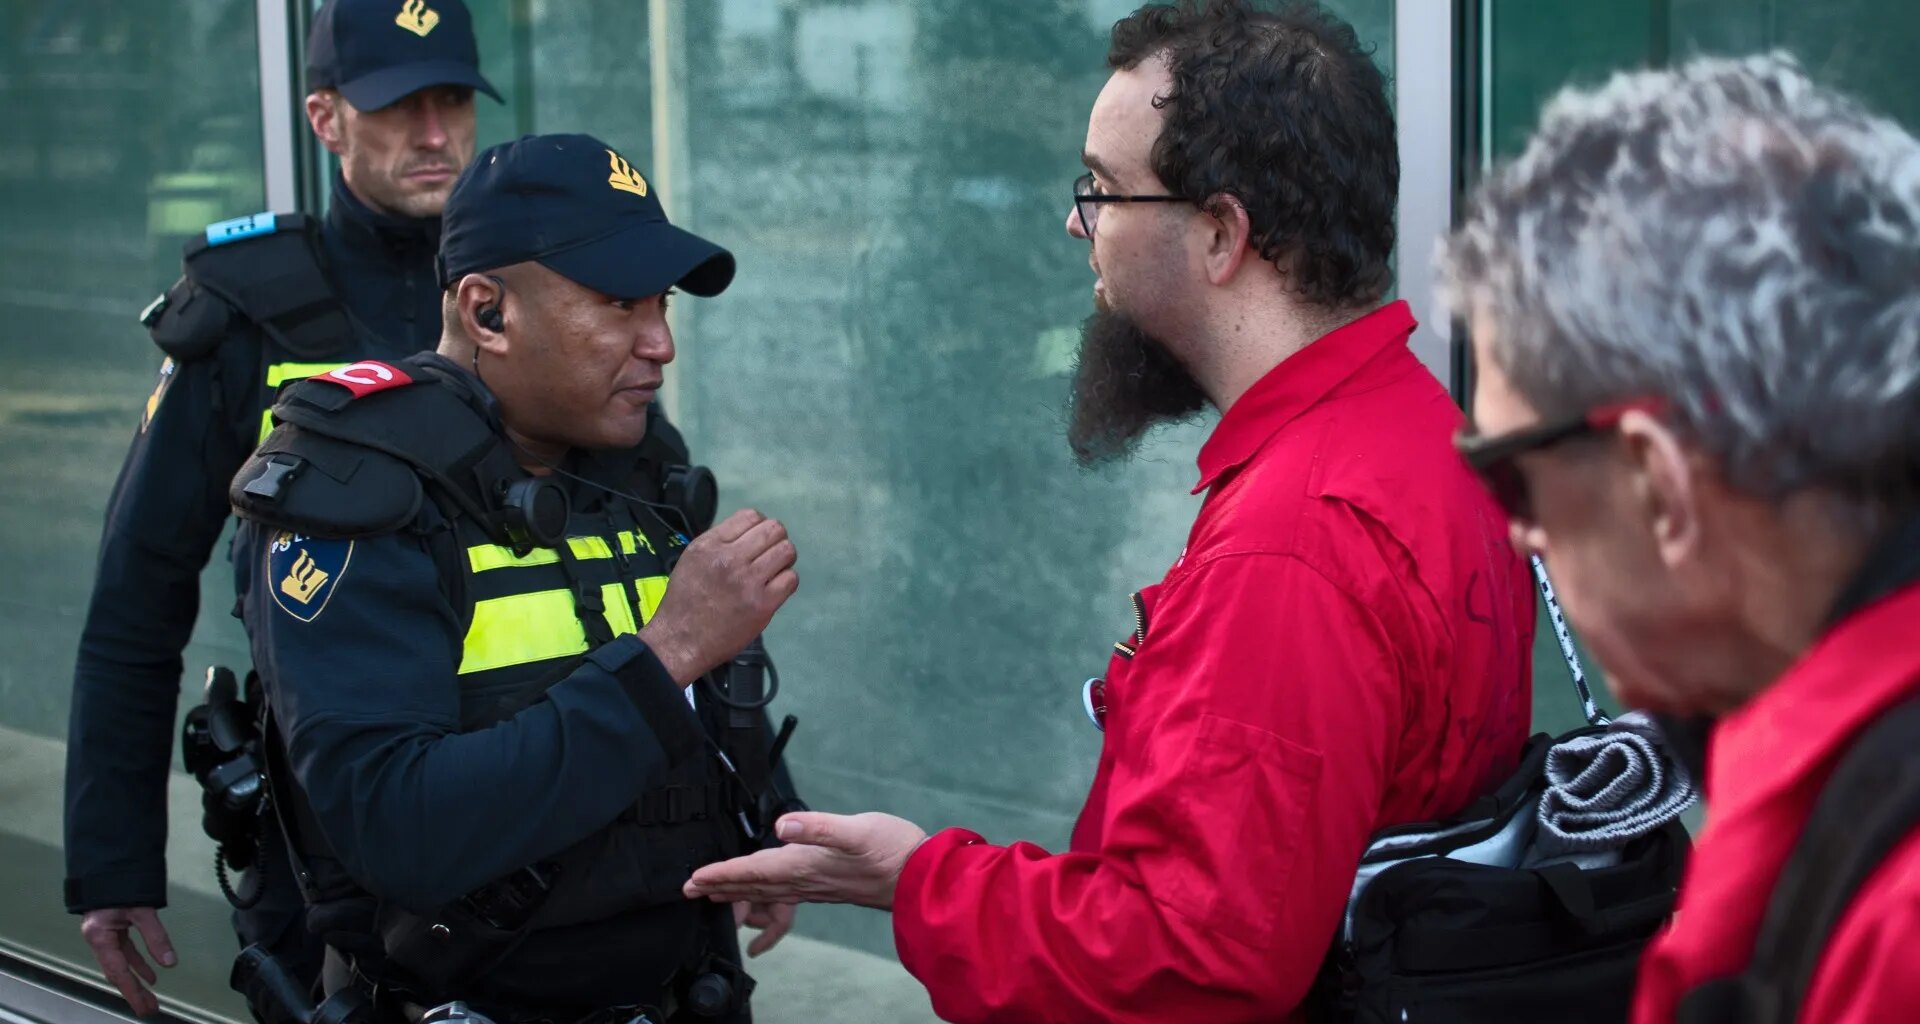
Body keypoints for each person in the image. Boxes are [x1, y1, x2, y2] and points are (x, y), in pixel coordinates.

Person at [683, 2, 1535, 1021]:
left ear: (1221, 234)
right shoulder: (1421, 432)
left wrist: (919, 883)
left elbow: (1188, 961)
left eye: (1102, 187)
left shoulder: (1293, 543)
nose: (1075, 221)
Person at [225, 132, 801, 1024]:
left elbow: (699, 687)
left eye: (662, 304)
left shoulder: (640, 459)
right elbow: (400, 828)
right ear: (488, 312)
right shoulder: (353, 489)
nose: (660, 344)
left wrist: (769, 816)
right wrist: (671, 648)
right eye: (618, 303)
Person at [1438, 54, 1920, 1024]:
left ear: (1658, 481)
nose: (1517, 533)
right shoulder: (1834, 784)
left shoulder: (1896, 920)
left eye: (1509, 473)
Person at [64, 0, 501, 1015]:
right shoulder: (250, 306)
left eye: (452, 100)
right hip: (322, 854)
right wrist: (112, 858)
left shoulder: (538, 282)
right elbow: (138, 591)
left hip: (535, 811)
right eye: (397, 105)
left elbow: (650, 552)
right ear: (324, 119)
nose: (434, 133)